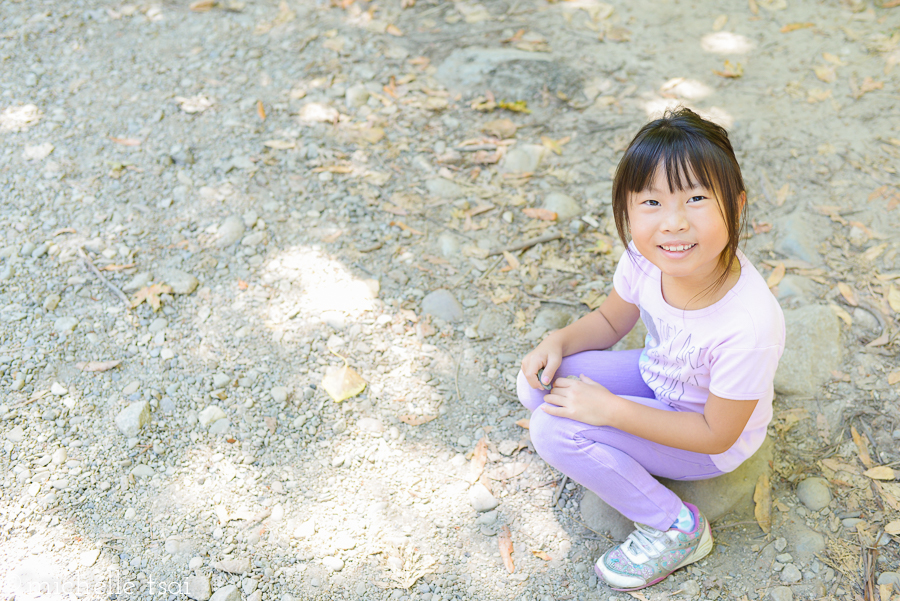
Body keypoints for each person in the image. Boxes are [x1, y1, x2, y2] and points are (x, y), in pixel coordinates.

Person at [517, 107, 785, 592]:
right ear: (627, 207)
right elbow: (607, 322)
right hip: (657, 376)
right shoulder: (644, 260)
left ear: (738, 205)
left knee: (552, 430)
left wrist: (612, 411)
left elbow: (715, 435)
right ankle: (604, 452)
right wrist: (555, 341)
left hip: (705, 437)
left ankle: (676, 528)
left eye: (698, 198)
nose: (674, 223)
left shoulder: (749, 323)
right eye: (652, 203)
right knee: (538, 384)